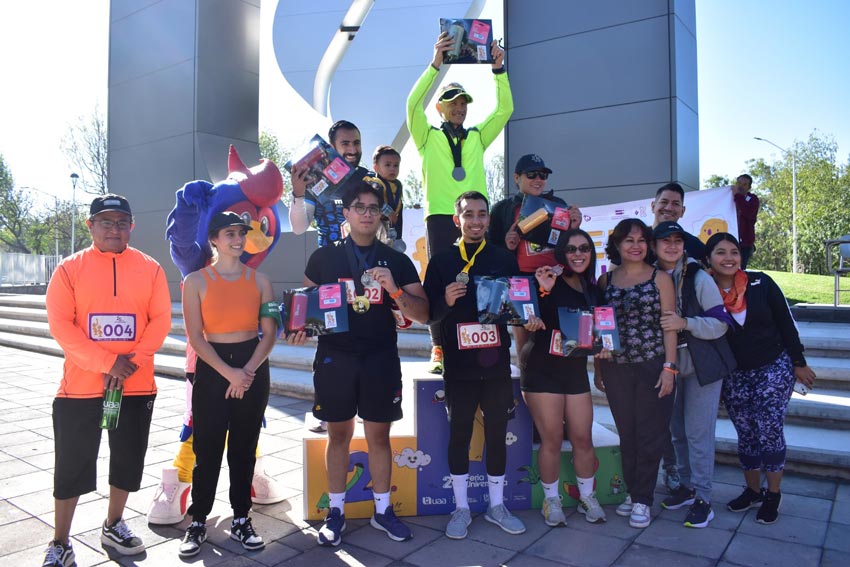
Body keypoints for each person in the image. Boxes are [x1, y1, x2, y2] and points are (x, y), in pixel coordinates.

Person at [295, 181, 429, 547]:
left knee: (378, 438)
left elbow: (423, 315)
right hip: (335, 356)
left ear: (380, 215)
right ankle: (335, 511)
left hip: (379, 358)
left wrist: (397, 292)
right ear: (347, 212)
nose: (367, 214)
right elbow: (304, 305)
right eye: (360, 207)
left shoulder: (397, 261)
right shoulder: (324, 257)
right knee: (338, 435)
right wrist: (299, 326)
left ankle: (382, 510)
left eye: (373, 208)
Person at [43, 194, 171, 567]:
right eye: (105, 222)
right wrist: (106, 362)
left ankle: (114, 523)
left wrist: (131, 362)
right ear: (90, 226)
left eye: (121, 222)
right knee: (72, 463)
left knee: (128, 459)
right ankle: (60, 542)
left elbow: (160, 321)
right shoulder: (69, 269)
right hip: (80, 388)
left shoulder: (151, 269)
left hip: (135, 385)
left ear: (132, 226)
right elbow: (60, 325)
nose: (114, 229)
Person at [423, 191, 544, 539]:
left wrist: (528, 316)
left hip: (494, 364)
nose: (475, 221)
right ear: (456, 220)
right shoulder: (443, 260)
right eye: (468, 215)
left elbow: (517, 306)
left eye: (481, 214)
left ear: (489, 219)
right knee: (459, 433)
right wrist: (444, 302)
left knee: (495, 434)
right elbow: (428, 313)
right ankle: (461, 508)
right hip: (459, 367)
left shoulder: (503, 258)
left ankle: (496, 506)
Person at [407, 30, 513, 374]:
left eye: (463, 102)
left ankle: (487, 334)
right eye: (452, 102)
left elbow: (506, 108)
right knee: (440, 282)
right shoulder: (427, 137)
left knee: (485, 277)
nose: (458, 107)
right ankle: (438, 347)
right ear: (440, 106)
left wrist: (499, 70)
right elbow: (411, 106)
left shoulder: (478, 136)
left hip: (477, 218)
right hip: (441, 216)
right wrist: (436, 64)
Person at [177, 211, 277, 557]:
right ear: (214, 240)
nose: (237, 239)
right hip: (212, 367)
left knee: (244, 449)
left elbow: (270, 332)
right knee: (207, 449)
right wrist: (229, 373)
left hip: (252, 364)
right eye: (229, 233)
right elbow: (195, 337)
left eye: (241, 233)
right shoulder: (196, 282)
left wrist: (246, 371)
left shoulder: (261, 281)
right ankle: (198, 520)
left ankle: (240, 519)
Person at [705, 232, 816, 524]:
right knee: (746, 434)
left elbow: (785, 323)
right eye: (720, 252)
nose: (728, 257)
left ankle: (773, 494)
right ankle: (753, 491)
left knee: (769, 430)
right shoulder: (705, 290)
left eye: (734, 252)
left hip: (773, 366)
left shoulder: (761, 282)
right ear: (709, 260)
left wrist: (798, 362)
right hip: (734, 375)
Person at [651, 222, 737, 529]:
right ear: (654, 245)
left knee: (699, 433)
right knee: (677, 432)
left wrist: (685, 322)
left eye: (678, 241)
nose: (672, 246)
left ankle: (704, 498)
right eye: (665, 241)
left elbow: (720, 324)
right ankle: (687, 488)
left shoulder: (698, 276)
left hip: (703, 365)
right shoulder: (650, 275)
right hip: (668, 365)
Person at [594, 218, 678, 529]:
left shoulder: (660, 279)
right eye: (628, 240)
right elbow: (601, 329)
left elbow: (669, 327)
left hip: (652, 365)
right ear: (616, 244)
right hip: (616, 368)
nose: (635, 245)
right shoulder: (606, 281)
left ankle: (643, 499)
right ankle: (634, 491)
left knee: (650, 434)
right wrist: (599, 368)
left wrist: (670, 367)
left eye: (642, 239)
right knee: (627, 434)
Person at [522, 229, 608, 526]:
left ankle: (587, 497)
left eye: (584, 248)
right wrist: (541, 293)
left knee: (583, 438)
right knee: (553, 439)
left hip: (574, 372)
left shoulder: (593, 290)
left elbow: (599, 333)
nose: (578, 254)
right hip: (542, 370)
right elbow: (528, 313)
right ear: (562, 253)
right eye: (571, 249)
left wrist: (602, 356)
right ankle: (551, 500)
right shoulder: (547, 279)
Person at [489, 153, 582, 359]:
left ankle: (557, 387)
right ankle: (526, 387)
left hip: (554, 278)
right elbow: (490, 250)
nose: (538, 179)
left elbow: (570, 244)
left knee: (560, 338)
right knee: (525, 345)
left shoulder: (558, 203)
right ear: (516, 178)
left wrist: (574, 228)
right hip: (521, 281)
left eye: (543, 175)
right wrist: (507, 244)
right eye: (532, 174)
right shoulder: (502, 209)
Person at [289, 120, 370, 247]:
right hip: (328, 261)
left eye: (356, 143)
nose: (353, 150)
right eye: (345, 143)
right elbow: (298, 228)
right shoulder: (313, 180)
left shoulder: (368, 178)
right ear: (332, 147)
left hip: (366, 263)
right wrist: (297, 194)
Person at [651, 182, 706, 262]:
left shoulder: (694, 245)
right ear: (653, 206)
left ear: (682, 211)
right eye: (664, 202)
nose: (669, 208)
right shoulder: (640, 240)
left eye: (675, 204)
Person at [371, 145, 405, 241]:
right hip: (374, 224)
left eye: (396, 165)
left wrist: (399, 238)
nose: (392, 169)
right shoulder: (374, 183)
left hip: (389, 227)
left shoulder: (397, 186)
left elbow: (399, 212)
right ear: (376, 168)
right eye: (387, 165)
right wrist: (388, 212)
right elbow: (374, 200)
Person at [732, 174, 760, 269]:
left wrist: (737, 196)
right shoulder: (729, 197)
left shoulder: (753, 199)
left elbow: (747, 212)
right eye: (739, 183)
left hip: (745, 243)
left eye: (744, 184)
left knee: (740, 270)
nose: (740, 186)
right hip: (730, 239)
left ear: (749, 187)